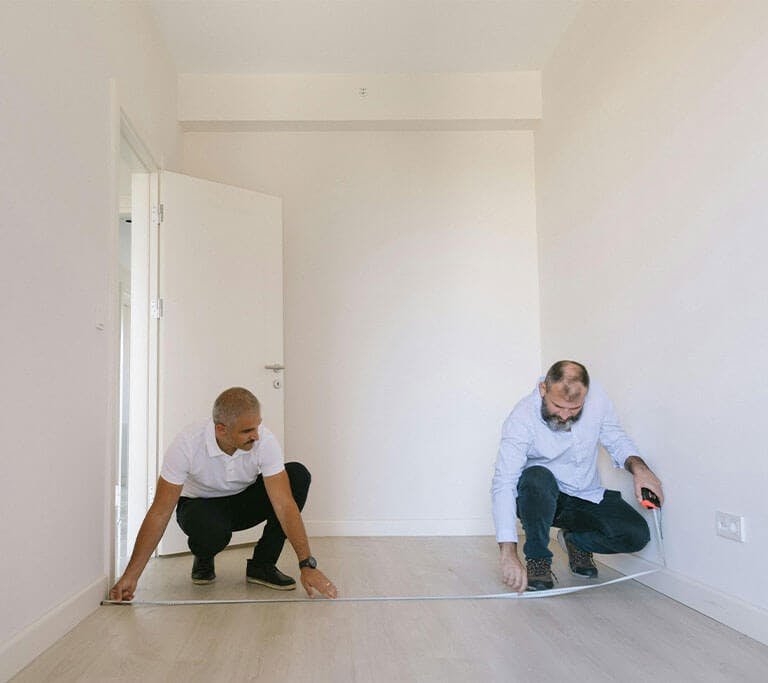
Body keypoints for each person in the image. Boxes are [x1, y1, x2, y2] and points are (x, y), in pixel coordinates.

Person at [109, 387, 337, 601]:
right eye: (247, 431)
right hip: (199, 506)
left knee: (297, 475)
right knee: (212, 530)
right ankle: (204, 556)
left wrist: (307, 564)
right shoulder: (186, 445)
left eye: (257, 426)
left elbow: (285, 505)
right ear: (221, 429)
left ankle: (262, 565)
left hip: (241, 501)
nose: (255, 436)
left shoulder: (263, 440)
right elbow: (159, 513)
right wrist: (131, 576)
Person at [491, 361, 663, 592]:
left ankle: (575, 541)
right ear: (543, 389)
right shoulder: (521, 418)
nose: (564, 415)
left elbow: (615, 437)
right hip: (540, 499)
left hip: (586, 495)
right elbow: (504, 483)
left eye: (574, 409)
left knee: (636, 535)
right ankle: (537, 560)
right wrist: (507, 553)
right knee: (536, 476)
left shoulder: (597, 398)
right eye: (558, 406)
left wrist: (640, 469)